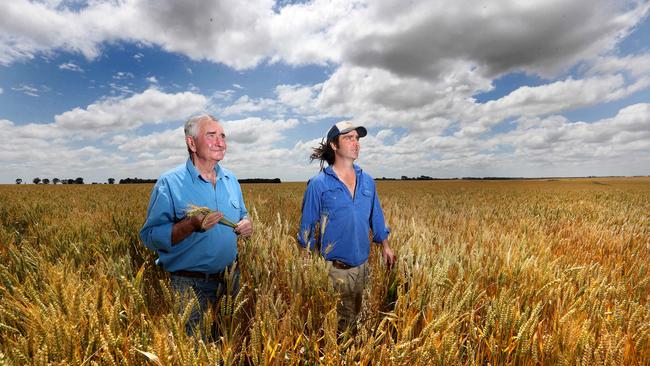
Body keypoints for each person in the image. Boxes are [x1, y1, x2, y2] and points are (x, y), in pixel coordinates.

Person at [140, 114, 252, 339]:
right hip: (189, 285)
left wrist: (246, 223)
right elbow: (149, 236)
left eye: (223, 136)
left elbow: (242, 213)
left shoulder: (231, 180)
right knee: (194, 350)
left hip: (230, 280)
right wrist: (191, 224)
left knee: (228, 342)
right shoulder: (169, 183)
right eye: (212, 136)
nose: (221, 142)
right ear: (191, 143)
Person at [298, 121, 396, 333]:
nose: (356, 143)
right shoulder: (318, 184)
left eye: (357, 139)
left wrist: (386, 246)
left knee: (356, 318)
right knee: (339, 326)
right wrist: (308, 266)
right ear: (334, 145)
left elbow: (376, 217)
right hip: (334, 270)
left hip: (362, 267)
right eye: (348, 138)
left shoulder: (368, 181)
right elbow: (307, 227)